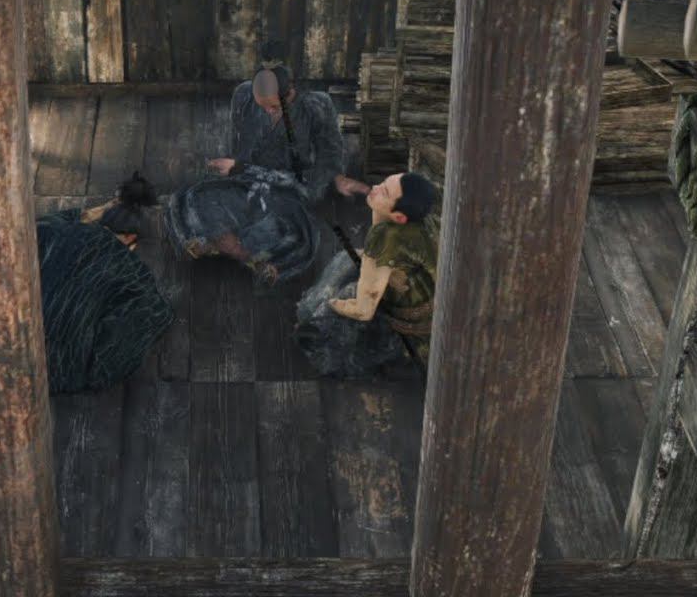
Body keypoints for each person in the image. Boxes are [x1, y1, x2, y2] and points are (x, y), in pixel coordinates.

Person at [165, 43, 370, 285]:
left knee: (293, 235)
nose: (269, 112)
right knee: (192, 198)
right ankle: (241, 251)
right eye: (262, 107)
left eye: (274, 106)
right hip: (247, 183)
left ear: (290, 93)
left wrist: (334, 178)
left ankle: (222, 243)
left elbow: (328, 158)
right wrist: (234, 168)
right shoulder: (243, 95)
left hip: (289, 191)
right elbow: (241, 150)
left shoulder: (316, 105)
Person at [36, 173, 172, 392]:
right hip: (56, 372)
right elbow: (157, 313)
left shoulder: (55, 229)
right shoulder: (131, 270)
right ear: (131, 238)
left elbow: (50, 222)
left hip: (12, 340)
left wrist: (99, 212)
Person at [295, 171, 439, 377]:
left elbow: (363, 310)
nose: (376, 187)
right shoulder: (412, 221)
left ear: (399, 217)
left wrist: (332, 304)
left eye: (385, 192)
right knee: (347, 262)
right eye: (383, 182)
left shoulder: (386, 238)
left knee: (345, 291)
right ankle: (312, 314)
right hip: (416, 297)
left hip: (408, 327)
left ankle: (318, 339)